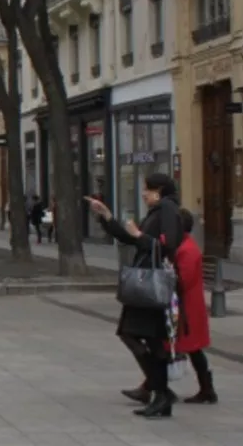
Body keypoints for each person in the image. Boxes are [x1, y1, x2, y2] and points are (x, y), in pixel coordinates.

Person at [87, 173, 183, 419]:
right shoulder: (158, 211)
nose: (143, 194)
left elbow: (169, 246)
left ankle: (160, 391)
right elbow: (131, 239)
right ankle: (160, 393)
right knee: (146, 339)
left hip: (152, 286)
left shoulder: (168, 211)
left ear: (158, 191)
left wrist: (141, 236)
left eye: (146, 190)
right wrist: (107, 217)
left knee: (137, 336)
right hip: (145, 285)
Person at [121, 207, 216, 405]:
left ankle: (157, 387)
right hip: (181, 307)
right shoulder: (179, 245)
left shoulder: (187, 249)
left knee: (182, 347)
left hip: (186, 308)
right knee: (186, 348)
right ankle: (201, 389)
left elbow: (183, 280)